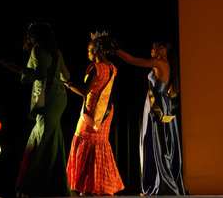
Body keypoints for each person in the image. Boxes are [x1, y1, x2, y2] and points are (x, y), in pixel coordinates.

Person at [3, 23, 75, 197]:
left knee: (42, 137)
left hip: (47, 98)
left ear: (36, 37)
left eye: (32, 36)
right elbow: (66, 76)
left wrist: (16, 68)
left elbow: (38, 75)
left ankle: (35, 184)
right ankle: (54, 184)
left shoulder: (37, 52)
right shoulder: (57, 52)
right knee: (52, 136)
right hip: (60, 97)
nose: (30, 39)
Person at [116, 42, 185, 195]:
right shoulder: (166, 63)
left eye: (153, 47)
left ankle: (160, 183)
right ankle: (158, 181)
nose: (151, 50)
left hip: (157, 107)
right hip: (159, 104)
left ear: (162, 49)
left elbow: (132, 60)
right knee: (158, 143)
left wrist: (116, 49)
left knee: (156, 143)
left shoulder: (160, 62)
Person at [65, 31, 124, 196]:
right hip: (106, 113)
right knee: (100, 145)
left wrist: (68, 85)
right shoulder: (113, 68)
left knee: (85, 143)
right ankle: (100, 185)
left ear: (98, 51)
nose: (88, 53)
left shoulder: (95, 68)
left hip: (91, 113)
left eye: (90, 50)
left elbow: (84, 91)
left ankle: (87, 186)